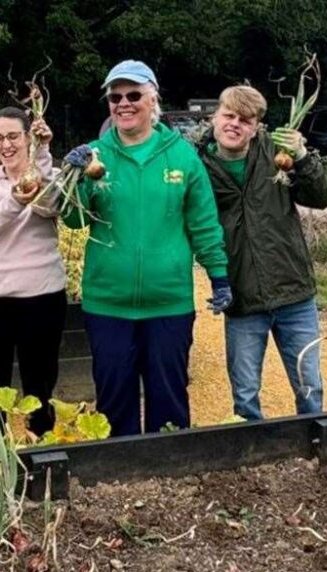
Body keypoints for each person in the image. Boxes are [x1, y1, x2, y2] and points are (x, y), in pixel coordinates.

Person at [64, 60, 230, 436]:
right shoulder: (95, 155)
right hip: (108, 303)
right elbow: (73, 220)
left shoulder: (182, 156)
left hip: (168, 302)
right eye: (115, 96)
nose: (124, 103)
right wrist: (74, 179)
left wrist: (219, 277)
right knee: (113, 401)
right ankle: (116, 483)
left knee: (169, 401)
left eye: (134, 95)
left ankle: (170, 479)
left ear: (153, 98)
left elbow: (203, 224)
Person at [199, 84, 327, 420]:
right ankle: (254, 460)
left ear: (257, 126)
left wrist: (302, 157)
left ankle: (314, 448)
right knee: (244, 393)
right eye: (229, 115)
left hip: (293, 291)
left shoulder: (277, 154)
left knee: (309, 386)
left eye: (245, 120)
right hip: (242, 296)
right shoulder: (198, 165)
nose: (235, 124)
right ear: (216, 116)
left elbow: (320, 198)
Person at [0, 107, 65, 437]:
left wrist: (44, 156)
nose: (5, 145)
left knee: (41, 383)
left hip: (42, 294)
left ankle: (43, 451)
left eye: (13, 137)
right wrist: (15, 200)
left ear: (28, 139)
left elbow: (50, 206)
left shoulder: (53, 175)